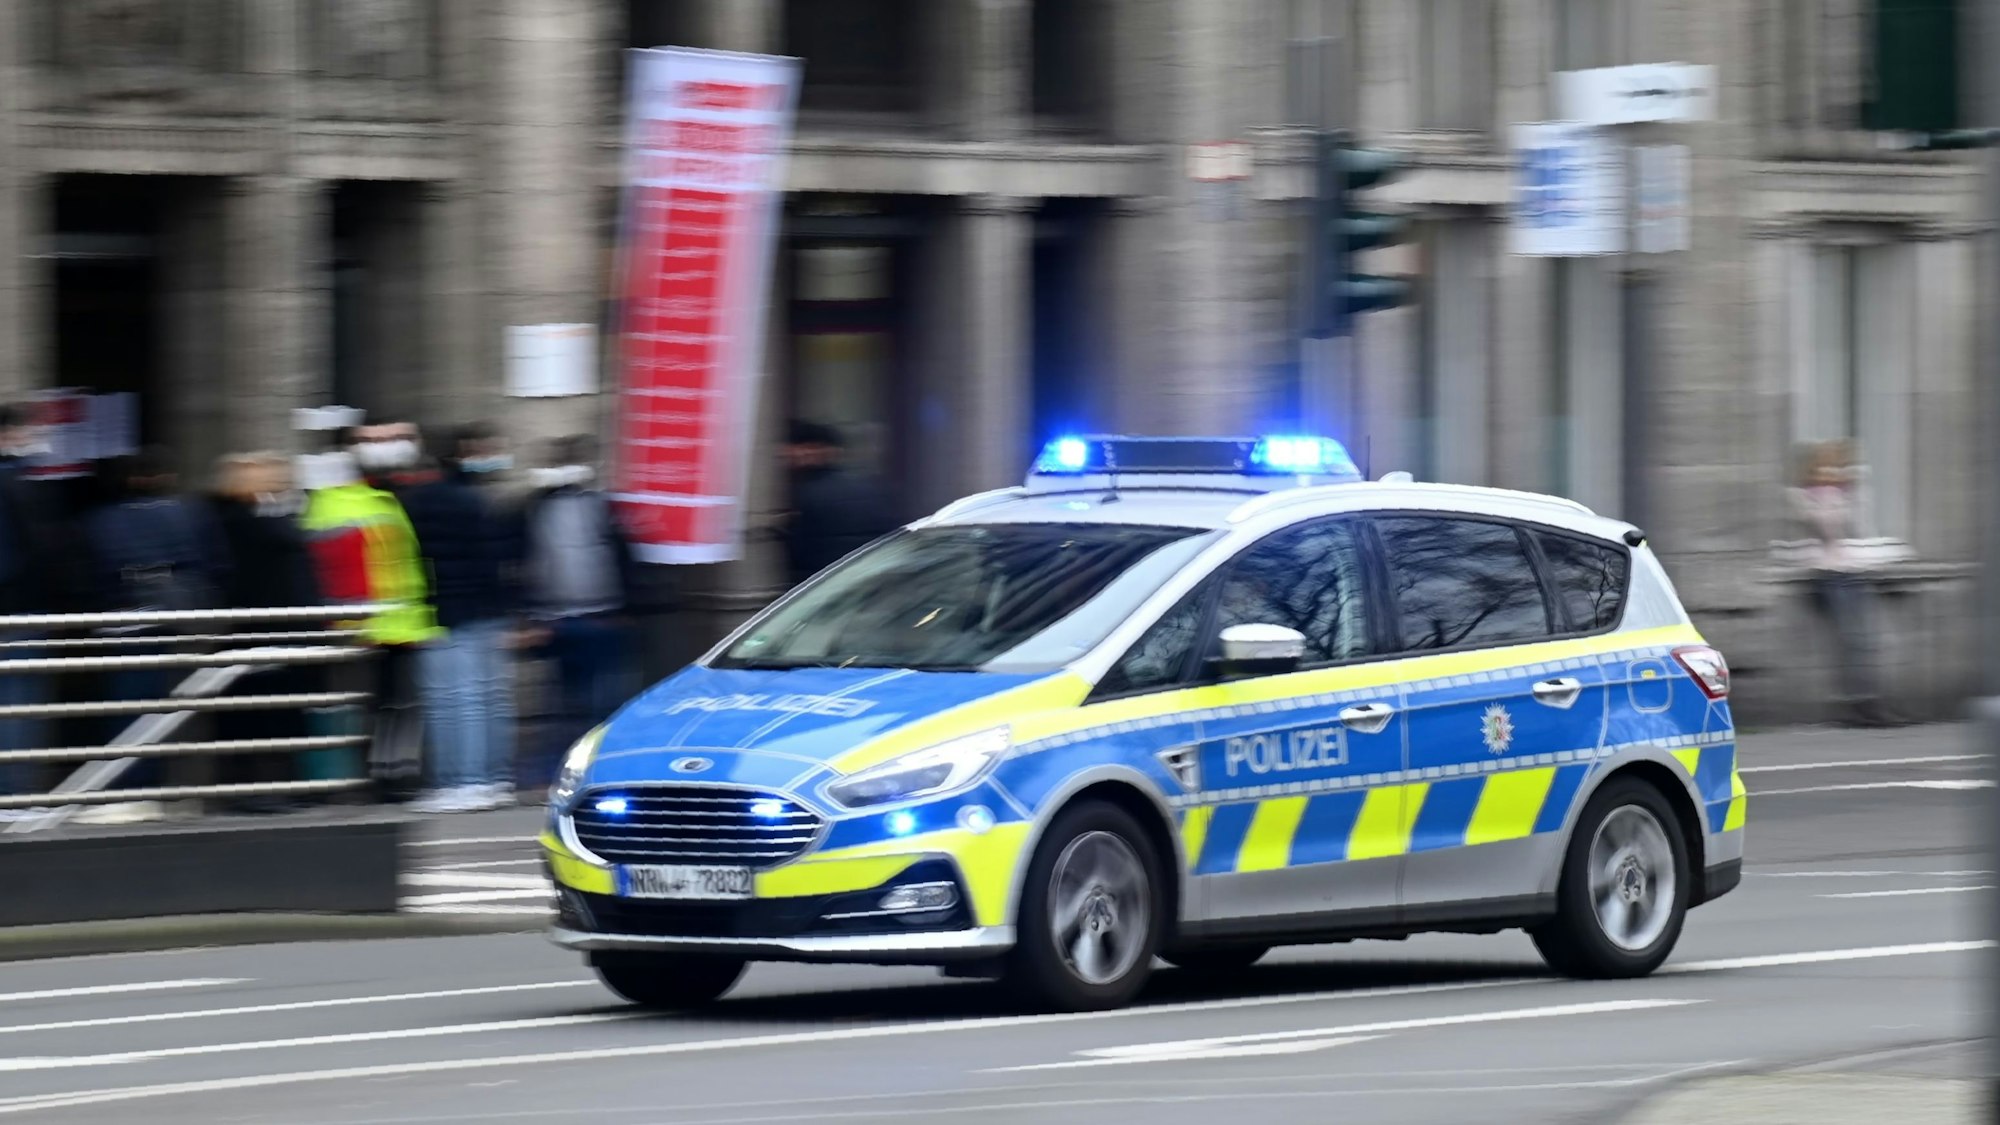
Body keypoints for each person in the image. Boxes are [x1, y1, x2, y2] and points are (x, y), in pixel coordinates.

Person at [82, 447, 231, 823]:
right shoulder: (191, 513)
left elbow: (95, 570)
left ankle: (129, 791)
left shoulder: (102, 521)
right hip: (186, 621)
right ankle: (185, 791)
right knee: (186, 707)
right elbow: (216, 563)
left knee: (128, 709)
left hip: (127, 623)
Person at [302, 432, 441, 802]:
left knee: (383, 708)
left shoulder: (357, 503)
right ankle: (383, 776)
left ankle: (385, 776)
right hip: (374, 625)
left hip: (386, 624)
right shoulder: (363, 504)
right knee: (383, 708)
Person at [400, 424, 520, 813]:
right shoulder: (478, 499)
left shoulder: (423, 500)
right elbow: (495, 561)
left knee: (454, 703)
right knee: (489, 700)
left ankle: (462, 783)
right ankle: (494, 778)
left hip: (447, 611)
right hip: (485, 610)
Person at [207, 453, 322, 814]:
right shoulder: (242, 522)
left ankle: (275, 785)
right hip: (261, 630)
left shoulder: (254, 519)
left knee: (274, 712)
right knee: (260, 713)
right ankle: (260, 788)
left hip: (275, 629)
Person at [521, 435, 636, 777]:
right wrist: (530, 616)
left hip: (601, 616)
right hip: (557, 619)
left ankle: (605, 767)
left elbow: (624, 556)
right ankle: (562, 769)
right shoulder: (536, 507)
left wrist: (627, 609)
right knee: (563, 704)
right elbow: (525, 561)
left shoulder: (604, 505)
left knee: (603, 701)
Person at [1787, 440, 1902, 728]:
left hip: (1853, 571)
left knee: (1865, 642)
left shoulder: (1845, 494)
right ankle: (1857, 707)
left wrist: (1853, 493)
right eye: (1826, 466)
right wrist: (1832, 499)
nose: (1833, 472)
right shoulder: (1809, 496)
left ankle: (1869, 704)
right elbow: (1828, 528)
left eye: (1837, 466)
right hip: (1830, 575)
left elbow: (1861, 527)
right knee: (1852, 642)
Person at [779, 420, 898, 588]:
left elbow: (803, 552)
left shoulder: (808, 494)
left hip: (823, 588)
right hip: (865, 583)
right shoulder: (869, 487)